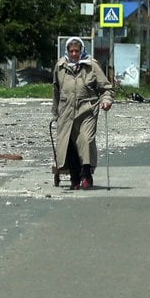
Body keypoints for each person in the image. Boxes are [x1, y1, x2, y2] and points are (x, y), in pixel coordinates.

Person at [52, 36, 114, 190]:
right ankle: (74, 179)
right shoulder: (60, 66)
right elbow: (56, 91)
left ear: (82, 51)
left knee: (86, 140)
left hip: (87, 109)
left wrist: (106, 101)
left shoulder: (91, 65)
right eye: (71, 51)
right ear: (67, 51)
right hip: (66, 111)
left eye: (77, 51)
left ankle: (86, 174)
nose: (74, 54)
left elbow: (106, 88)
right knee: (69, 144)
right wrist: (55, 112)